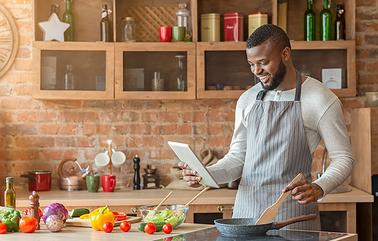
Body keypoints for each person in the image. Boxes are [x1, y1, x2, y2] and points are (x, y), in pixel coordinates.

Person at [180, 24, 354, 230]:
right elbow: (238, 158)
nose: (256, 71)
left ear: (286, 54)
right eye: (251, 64)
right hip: (246, 217)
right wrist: (206, 175)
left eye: (263, 63)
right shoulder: (247, 99)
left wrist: (319, 188)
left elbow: (343, 158)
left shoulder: (320, 99)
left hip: (292, 216)